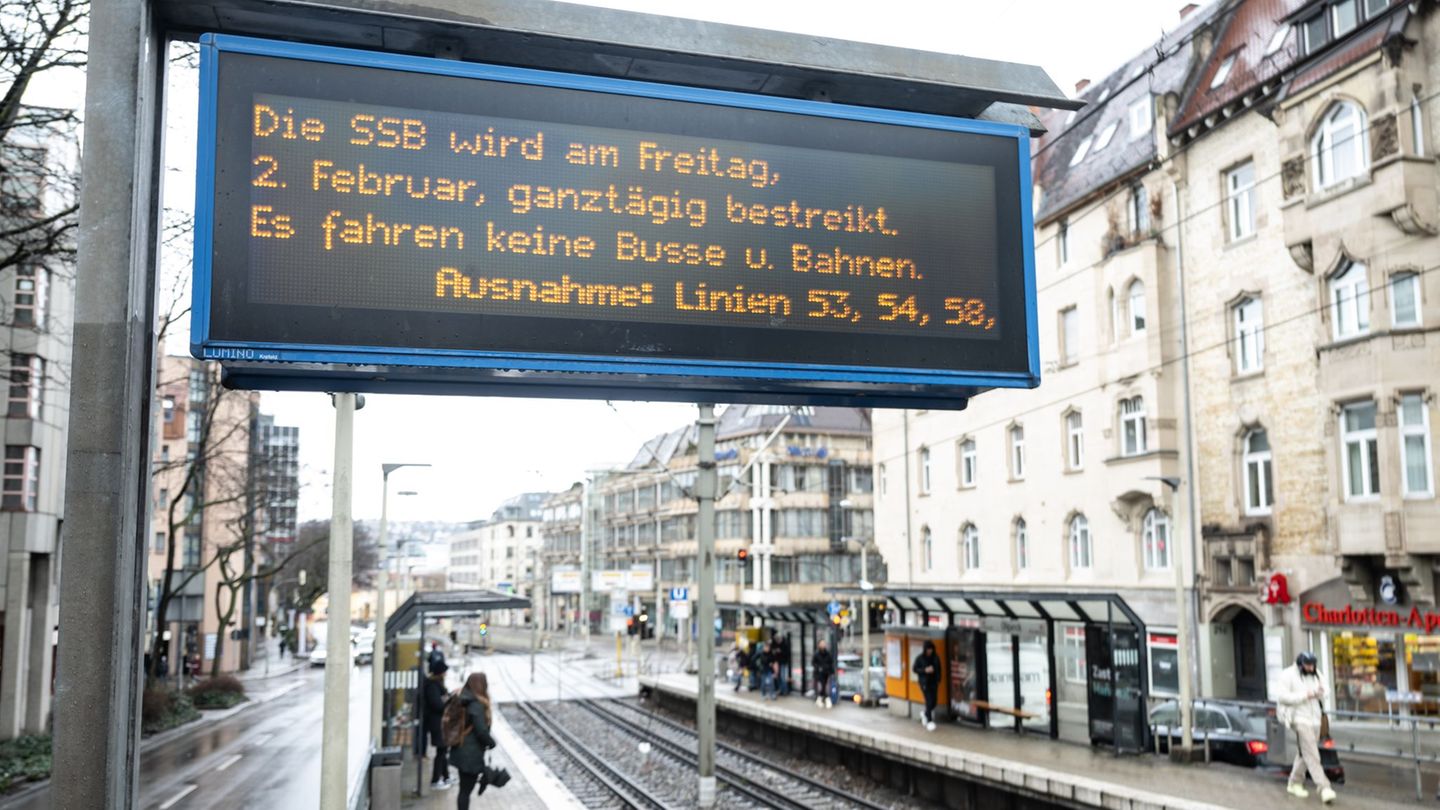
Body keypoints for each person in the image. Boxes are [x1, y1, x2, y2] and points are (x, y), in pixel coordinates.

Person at [1276, 651, 1336, 804]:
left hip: (1315, 718)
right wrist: (1305, 695)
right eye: (1308, 665)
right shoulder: (1287, 675)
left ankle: (1294, 782)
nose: (1311, 668)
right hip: (1298, 718)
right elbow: (1282, 697)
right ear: (1300, 664)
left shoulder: (1316, 673)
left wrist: (1321, 693)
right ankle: (1324, 787)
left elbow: (1326, 689)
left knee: (1305, 753)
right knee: (1312, 753)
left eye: (1313, 665)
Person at [449, 672, 498, 810]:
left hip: (461, 750)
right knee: (465, 791)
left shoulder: (464, 698)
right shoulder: (475, 704)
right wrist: (491, 743)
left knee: (464, 790)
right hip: (470, 754)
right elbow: (481, 730)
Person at [423, 661, 454, 790]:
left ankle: (446, 777)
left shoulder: (436, 685)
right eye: (444, 671)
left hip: (440, 723)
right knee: (441, 752)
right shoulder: (432, 686)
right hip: (437, 724)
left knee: (443, 750)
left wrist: (448, 697)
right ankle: (435, 780)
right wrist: (448, 700)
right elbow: (437, 705)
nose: (446, 674)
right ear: (440, 673)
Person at [912, 640, 941, 731]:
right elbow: (915, 669)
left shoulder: (935, 658)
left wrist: (938, 678)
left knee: (934, 701)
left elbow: (939, 669)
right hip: (924, 682)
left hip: (933, 682)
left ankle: (925, 713)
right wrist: (925, 670)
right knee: (928, 700)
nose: (930, 651)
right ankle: (929, 720)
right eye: (928, 649)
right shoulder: (920, 658)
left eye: (931, 649)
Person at [812, 640, 835, 709]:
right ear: (819, 645)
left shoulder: (828, 653)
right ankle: (826, 699)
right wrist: (818, 668)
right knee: (822, 686)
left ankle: (820, 699)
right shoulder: (816, 654)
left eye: (824, 644)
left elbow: (831, 663)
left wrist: (831, 672)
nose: (823, 645)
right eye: (821, 644)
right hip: (819, 674)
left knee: (825, 687)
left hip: (826, 673)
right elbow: (813, 663)